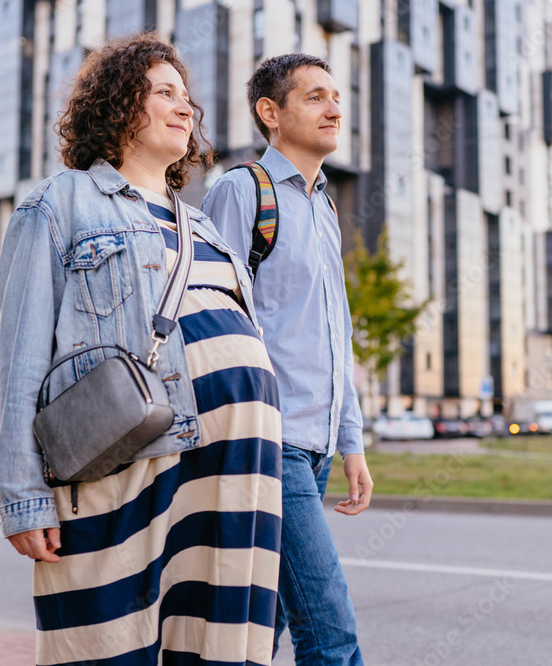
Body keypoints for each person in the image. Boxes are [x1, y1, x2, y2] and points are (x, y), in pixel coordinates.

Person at [0, 33, 281, 665]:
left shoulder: (203, 223)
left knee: (220, 645)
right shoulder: (58, 204)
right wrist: (23, 496)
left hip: (237, 471)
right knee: (104, 646)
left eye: (188, 98)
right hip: (128, 457)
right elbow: (19, 362)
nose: (186, 109)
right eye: (164, 93)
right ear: (121, 105)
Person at [202, 53, 372, 666]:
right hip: (269, 441)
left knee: (256, 631)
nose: (335, 108)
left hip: (317, 444)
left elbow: (336, 332)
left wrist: (349, 441)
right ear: (270, 113)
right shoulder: (241, 191)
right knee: (330, 631)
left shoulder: (324, 205)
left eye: (336, 96)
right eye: (315, 97)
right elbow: (215, 320)